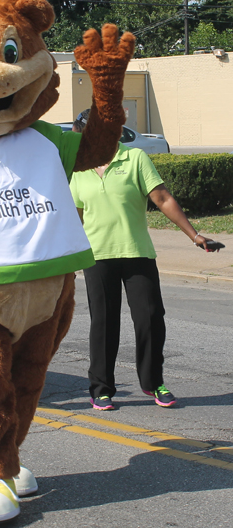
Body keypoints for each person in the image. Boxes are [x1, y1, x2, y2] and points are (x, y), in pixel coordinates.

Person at [69, 109, 221, 411]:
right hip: (98, 257)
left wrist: (194, 235)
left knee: (150, 318)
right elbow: (76, 216)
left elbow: (162, 198)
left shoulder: (135, 158)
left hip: (137, 251)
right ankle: (101, 389)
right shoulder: (79, 169)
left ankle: (154, 383)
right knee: (103, 323)